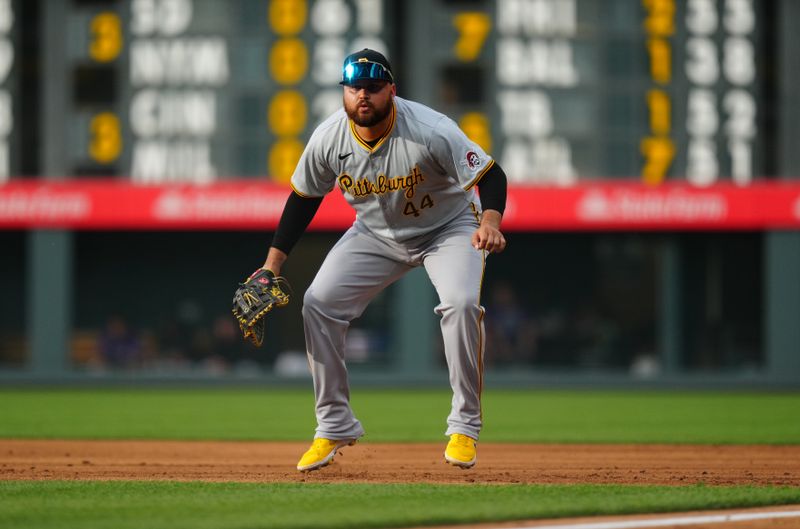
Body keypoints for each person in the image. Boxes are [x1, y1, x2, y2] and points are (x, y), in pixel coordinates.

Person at [259, 49, 508, 472]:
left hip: (446, 229)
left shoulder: (430, 129)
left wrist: (489, 220)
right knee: (318, 303)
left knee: (462, 304)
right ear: (344, 92)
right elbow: (303, 200)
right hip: (376, 234)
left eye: (373, 87)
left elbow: (491, 175)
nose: (363, 95)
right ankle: (334, 424)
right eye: (354, 87)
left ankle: (464, 426)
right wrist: (272, 265)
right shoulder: (329, 139)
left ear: (391, 89)